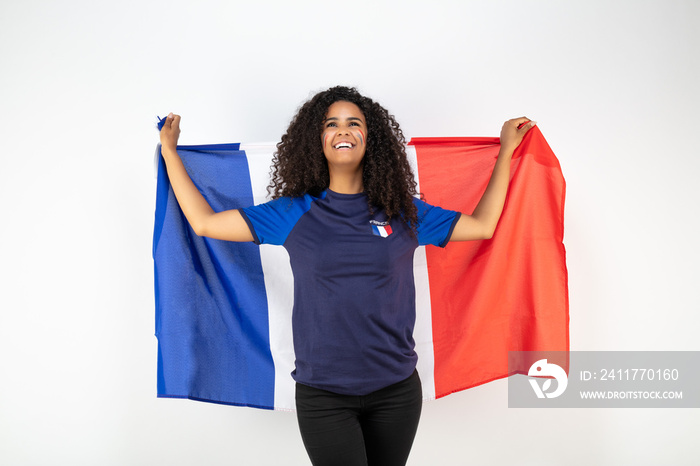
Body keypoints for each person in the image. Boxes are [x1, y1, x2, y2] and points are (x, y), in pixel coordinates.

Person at [159, 86, 535, 466]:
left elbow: (484, 225)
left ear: (370, 140)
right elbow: (205, 223)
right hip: (323, 396)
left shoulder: (402, 213)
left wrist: (505, 151)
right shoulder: (292, 213)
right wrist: (171, 154)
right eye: (331, 124)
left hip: (397, 392)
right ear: (316, 141)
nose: (343, 130)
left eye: (354, 123)